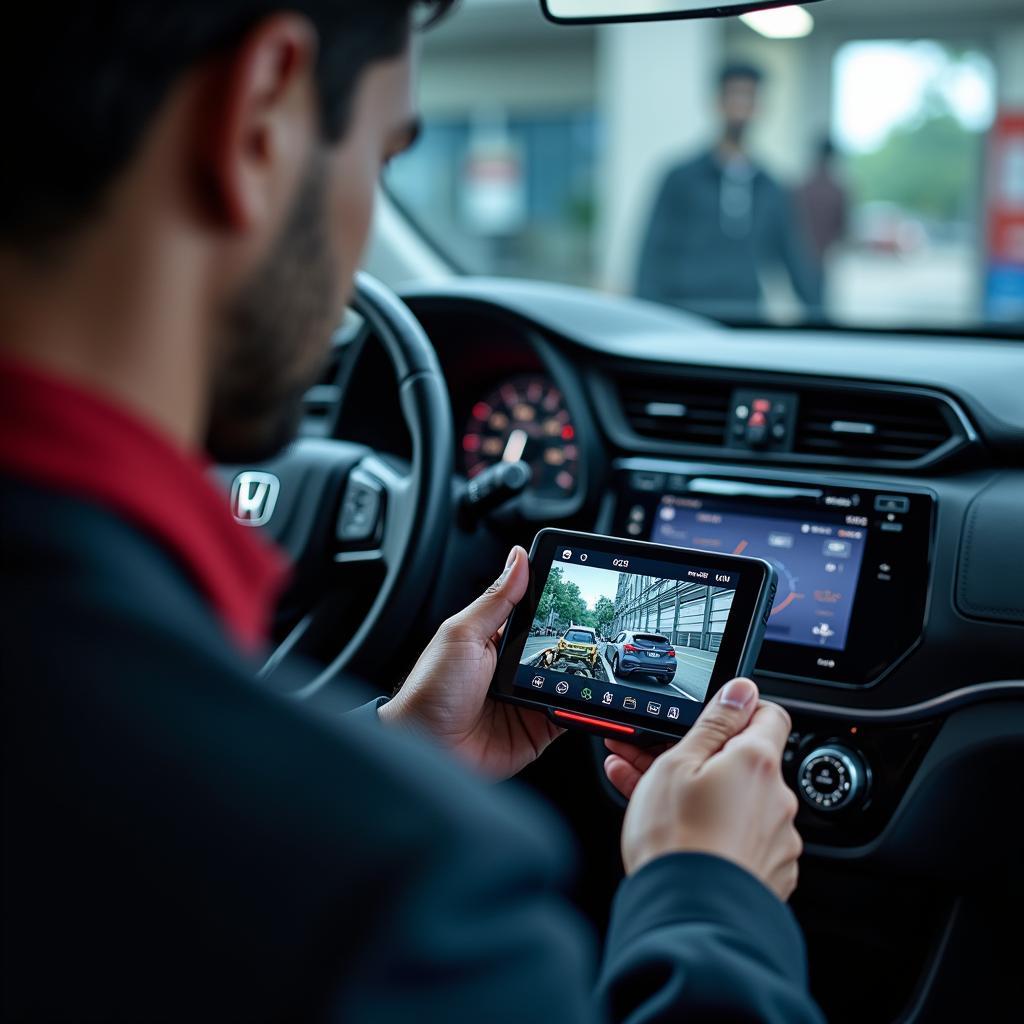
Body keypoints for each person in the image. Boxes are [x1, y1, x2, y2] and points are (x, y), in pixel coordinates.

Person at [0, 3, 823, 1022]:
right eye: (385, 157)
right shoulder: (402, 897)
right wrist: (712, 902)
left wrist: (395, 746)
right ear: (260, 116)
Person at [636, 61, 822, 318]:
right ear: (718, 102)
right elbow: (652, 255)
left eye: (749, 97)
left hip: (746, 318)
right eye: (735, 95)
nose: (741, 106)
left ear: (759, 107)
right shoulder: (680, 178)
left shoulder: (771, 188)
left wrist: (821, 321)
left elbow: (795, 261)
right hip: (685, 316)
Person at [797, 137, 849, 293]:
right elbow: (843, 229)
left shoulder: (802, 188)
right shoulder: (837, 190)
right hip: (823, 256)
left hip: (801, 255)